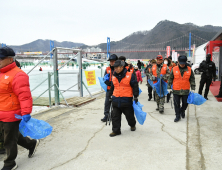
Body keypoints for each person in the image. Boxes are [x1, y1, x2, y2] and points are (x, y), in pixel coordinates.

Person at [0, 46, 40, 170]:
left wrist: (26, 112)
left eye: (1, 58)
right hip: (1, 110)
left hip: (12, 112)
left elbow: (25, 96)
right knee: (9, 135)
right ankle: (31, 144)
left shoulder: (18, 75)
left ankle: (10, 163)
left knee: (9, 139)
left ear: (10, 59)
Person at [108, 60, 139, 137]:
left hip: (126, 100)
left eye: (117, 67)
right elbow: (112, 87)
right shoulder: (114, 76)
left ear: (122, 67)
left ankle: (132, 125)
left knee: (129, 116)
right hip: (115, 100)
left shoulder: (130, 75)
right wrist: (109, 96)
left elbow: (135, 86)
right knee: (115, 116)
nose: (116, 69)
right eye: (114, 67)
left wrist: (135, 96)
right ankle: (116, 131)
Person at [168, 56, 196, 122]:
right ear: (178, 62)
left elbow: (192, 79)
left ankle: (182, 110)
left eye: (183, 63)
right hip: (176, 89)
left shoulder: (189, 69)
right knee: (176, 104)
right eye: (181, 63)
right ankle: (177, 116)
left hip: (185, 90)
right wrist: (169, 87)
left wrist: (193, 87)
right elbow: (170, 78)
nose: (182, 65)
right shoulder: (174, 69)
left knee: (185, 103)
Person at [101, 54, 118, 122]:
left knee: (116, 103)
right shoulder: (107, 68)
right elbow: (104, 77)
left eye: (113, 61)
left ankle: (115, 116)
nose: (111, 62)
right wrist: (106, 82)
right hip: (109, 88)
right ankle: (106, 115)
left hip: (117, 89)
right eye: (110, 61)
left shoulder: (119, 69)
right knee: (107, 102)